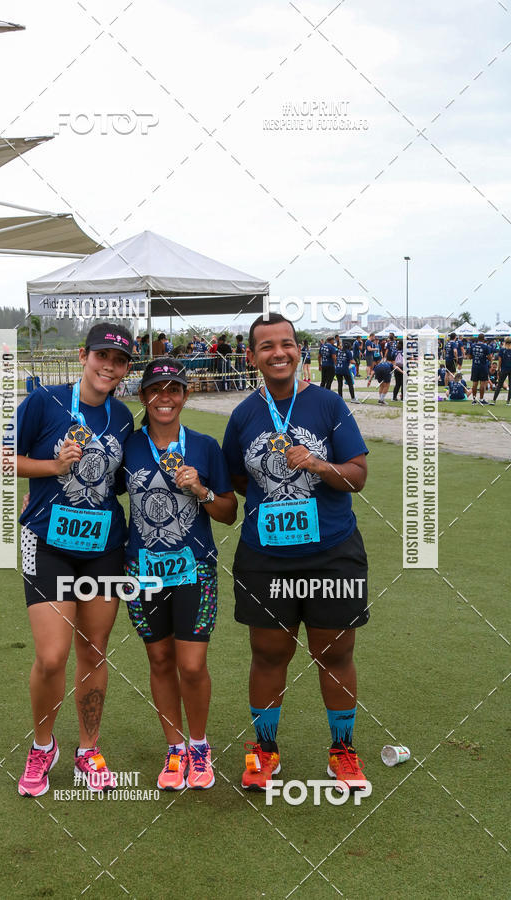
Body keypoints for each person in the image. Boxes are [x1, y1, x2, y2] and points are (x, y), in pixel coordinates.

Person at [222, 312, 370, 794]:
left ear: (298, 350)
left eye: (286, 343)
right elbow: (238, 480)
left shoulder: (328, 404)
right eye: (267, 346)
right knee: (268, 655)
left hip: (331, 552)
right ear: (252, 356)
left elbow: (357, 476)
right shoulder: (243, 415)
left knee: (335, 653)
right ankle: (264, 750)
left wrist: (318, 465)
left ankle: (343, 750)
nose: (278, 353)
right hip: (265, 557)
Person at [15, 323, 134, 797]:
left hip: (104, 547)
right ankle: (43, 746)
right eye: (102, 356)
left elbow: (119, 481)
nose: (109, 366)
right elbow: (3, 457)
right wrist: (53, 468)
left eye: (119, 361)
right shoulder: (44, 401)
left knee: (93, 650)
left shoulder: (123, 417)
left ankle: (88, 749)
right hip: (47, 542)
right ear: (84, 355)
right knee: (51, 657)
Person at [123, 358, 237, 790]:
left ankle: (199, 746)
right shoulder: (129, 446)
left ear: (186, 396)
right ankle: (174, 749)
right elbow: (97, 490)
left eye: (174, 389)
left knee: (191, 665)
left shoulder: (205, 447)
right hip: (143, 570)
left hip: (195, 569)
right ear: (143, 396)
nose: (164, 398)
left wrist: (201, 490)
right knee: (159, 659)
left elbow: (228, 512)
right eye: (156, 389)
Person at [469, 333, 492, 404]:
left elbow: (470, 357)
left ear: (478, 339)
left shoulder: (473, 346)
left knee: (474, 384)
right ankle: (481, 399)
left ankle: (474, 399)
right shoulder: (486, 346)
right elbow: (489, 357)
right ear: (483, 339)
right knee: (483, 383)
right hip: (483, 366)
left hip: (475, 366)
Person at [492, 336, 511, 405]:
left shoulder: (502, 350)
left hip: (504, 369)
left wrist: (498, 369)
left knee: (499, 385)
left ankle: (494, 400)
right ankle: (508, 401)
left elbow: (500, 361)